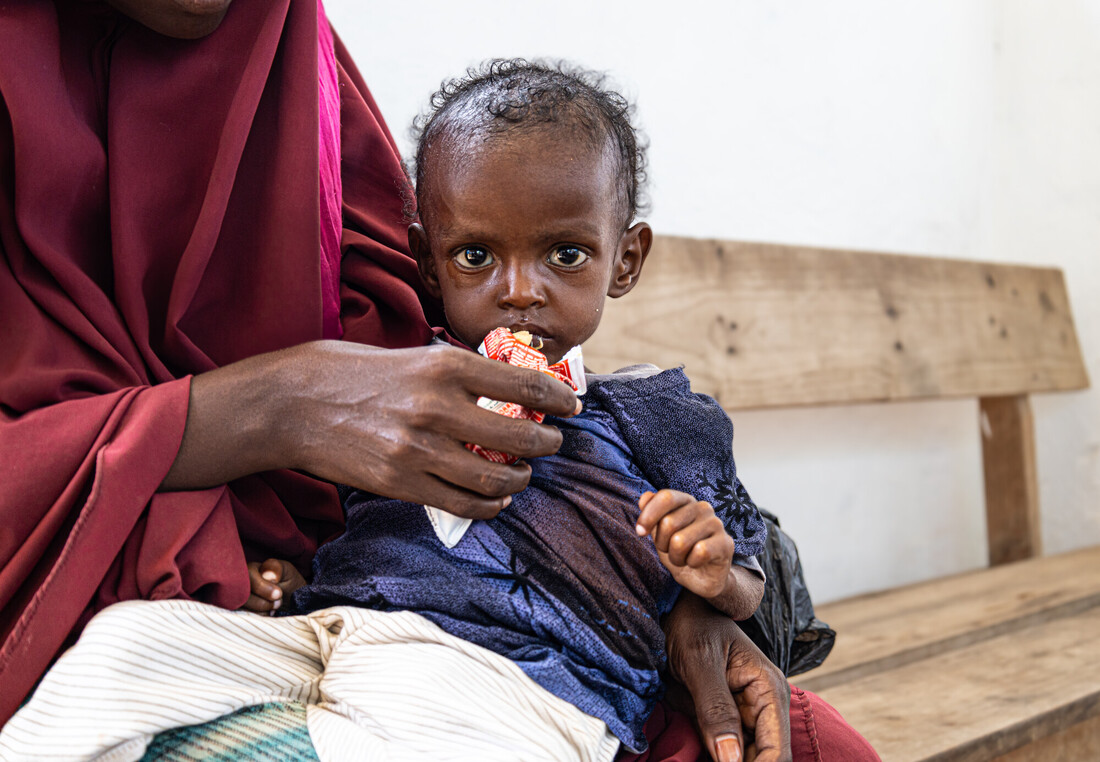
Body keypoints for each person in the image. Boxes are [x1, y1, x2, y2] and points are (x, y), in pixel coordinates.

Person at [0, 2, 876, 761]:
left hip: (511, 678)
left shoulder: (306, 87)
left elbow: (730, 530)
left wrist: (698, 601)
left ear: (625, 259)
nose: (519, 290)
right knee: (121, 658)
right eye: (475, 256)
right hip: (291, 624)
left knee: (806, 742)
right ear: (434, 256)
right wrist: (276, 410)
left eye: (563, 255)